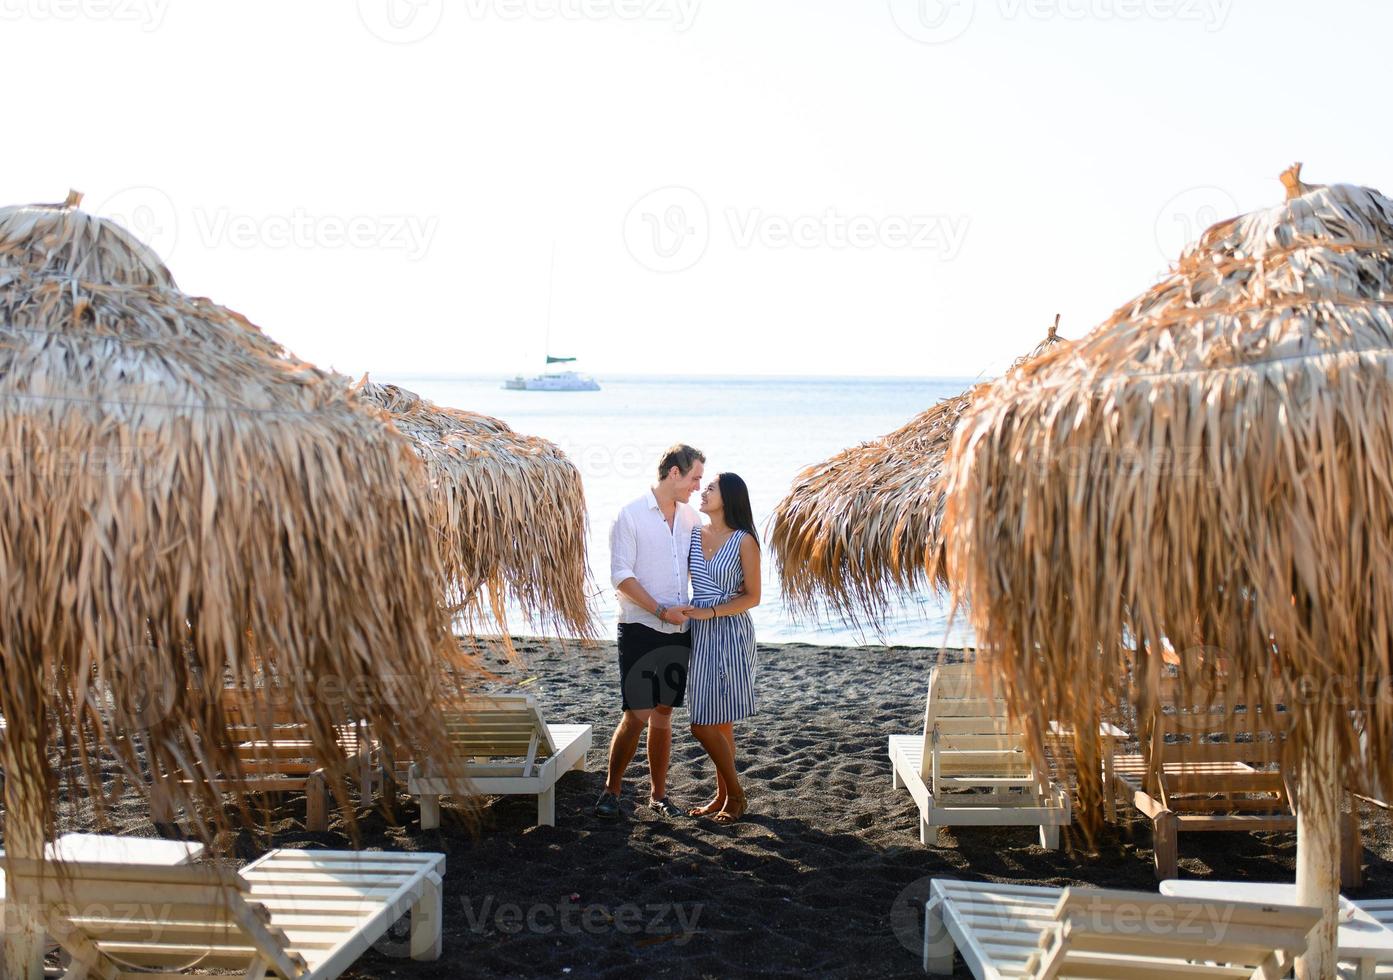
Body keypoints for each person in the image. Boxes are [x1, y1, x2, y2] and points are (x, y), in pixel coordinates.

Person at [594, 444, 706, 819]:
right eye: (694, 478)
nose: (697, 485)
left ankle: (658, 796)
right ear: (674, 473)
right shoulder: (630, 515)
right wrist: (660, 610)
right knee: (637, 712)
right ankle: (611, 790)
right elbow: (621, 575)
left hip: (680, 632)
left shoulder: (692, 518)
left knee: (663, 713)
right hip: (640, 627)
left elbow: (703, 569)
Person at [680, 472, 760, 823]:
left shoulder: (744, 541)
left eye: (710, 488)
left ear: (727, 497)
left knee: (707, 722)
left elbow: (753, 597)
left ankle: (736, 795)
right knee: (715, 720)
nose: (703, 491)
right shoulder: (694, 534)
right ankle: (724, 795)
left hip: (730, 631)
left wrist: (711, 611)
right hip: (700, 633)